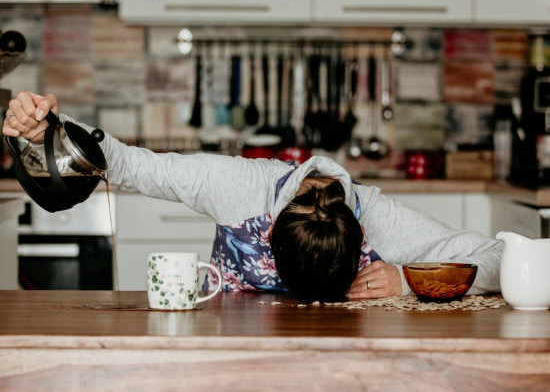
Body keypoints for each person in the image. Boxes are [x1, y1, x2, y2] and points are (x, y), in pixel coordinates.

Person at [3, 92, 503, 302]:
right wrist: (46, 129)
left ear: (364, 235)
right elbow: (129, 163)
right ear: (267, 228)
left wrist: (408, 279)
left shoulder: (383, 218)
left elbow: (500, 257)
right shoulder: (238, 186)